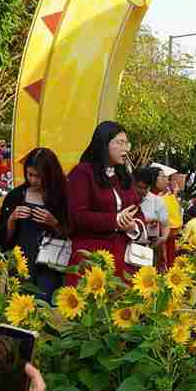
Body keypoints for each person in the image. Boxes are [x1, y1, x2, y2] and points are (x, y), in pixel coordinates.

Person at [65, 120, 142, 279]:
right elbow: (77, 216)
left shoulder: (125, 176)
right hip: (90, 257)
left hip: (122, 258)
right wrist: (115, 220)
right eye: (119, 143)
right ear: (104, 143)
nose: (125, 149)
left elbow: (138, 212)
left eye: (127, 144)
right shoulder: (82, 173)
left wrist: (133, 226)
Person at [0, 147, 68, 299]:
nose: (33, 180)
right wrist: (12, 219)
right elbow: (3, 240)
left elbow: (71, 233)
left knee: (45, 303)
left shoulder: (62, 197)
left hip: (50, 264)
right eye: (29, 175)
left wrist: (54, 223)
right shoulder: (16, 195)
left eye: (38, 176)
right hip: (22, 262)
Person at [134, 167, 172, 257]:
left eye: (146, 188)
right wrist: (146, 221)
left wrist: (163, 238)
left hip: (148, 248)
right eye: (139, 187)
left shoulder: (157, 201)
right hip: (128, 244)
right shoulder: (126, 198)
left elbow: (166, 224)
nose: (142, 191)